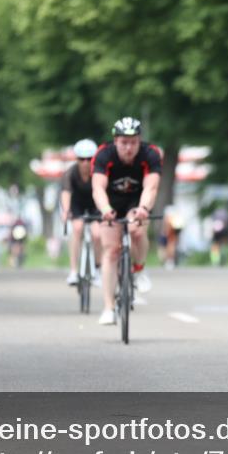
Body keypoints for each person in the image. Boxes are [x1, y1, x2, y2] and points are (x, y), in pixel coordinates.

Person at [91, 117, 161, 325]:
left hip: (136, 201)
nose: (128, 147)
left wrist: (144, 209)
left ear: (140, 140)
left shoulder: (150, 154)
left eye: (133, 142)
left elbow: (151, 187)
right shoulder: (104, 154)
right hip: (109, 203)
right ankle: (108, 308)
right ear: (115, 141)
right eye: (123, 142)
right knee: (111, 251)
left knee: (137, 231)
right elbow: (98, 188)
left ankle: (138, 270)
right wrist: (105, 209)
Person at [60, 139, 103, 285]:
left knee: (97, 235)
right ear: (76, 159)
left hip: (95, 204)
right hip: (77, 204)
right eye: (81, 159)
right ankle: (73, 271)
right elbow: (66, 192)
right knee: (77, 228)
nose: (85, 162)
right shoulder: (70, 173)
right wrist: (66, 211)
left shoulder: (98, 172)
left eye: (89, 159)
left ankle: (97, 269)